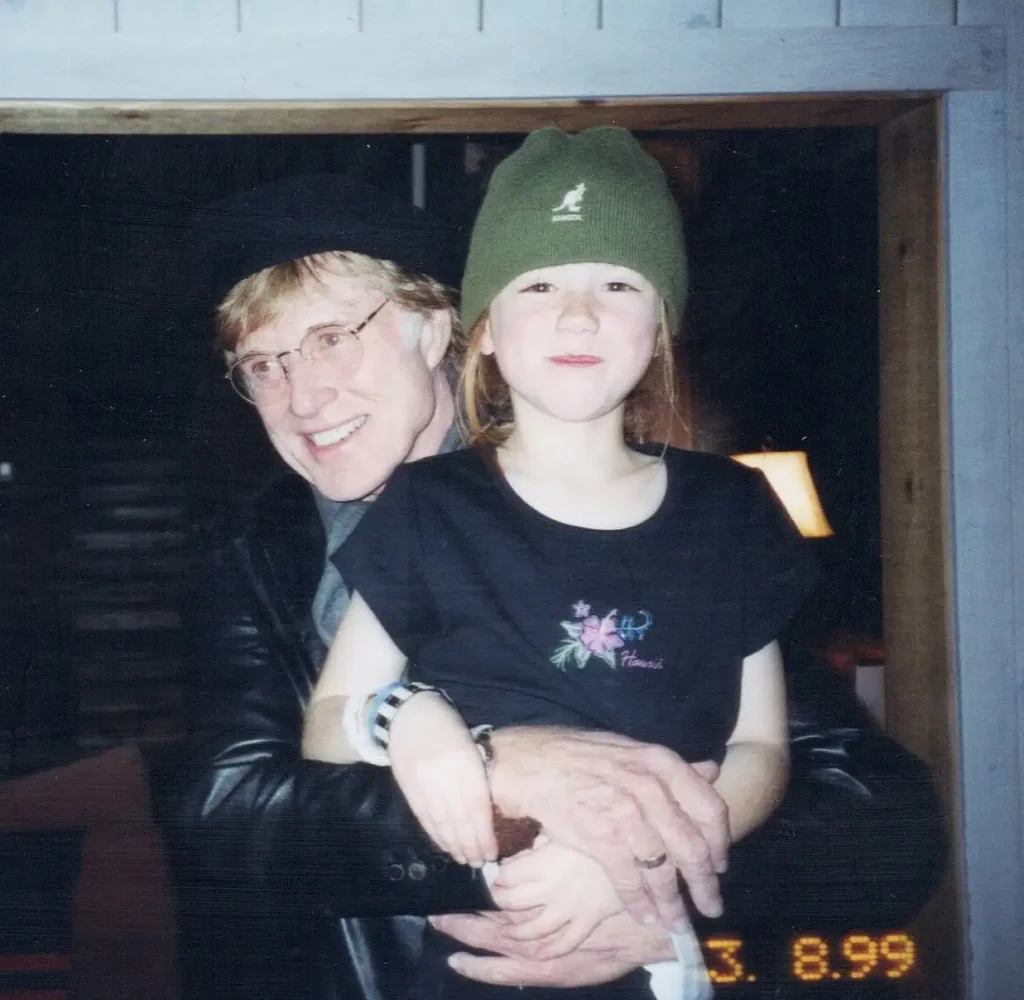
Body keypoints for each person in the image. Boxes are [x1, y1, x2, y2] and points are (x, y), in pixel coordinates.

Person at [172, 165, 945, 1000]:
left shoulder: (684, 518)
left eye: (331, 338)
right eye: (263, 365)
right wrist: (503, 788)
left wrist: (657, 895)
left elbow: (879, 816)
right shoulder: (250, 555)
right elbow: (225, 819)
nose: (302, 397)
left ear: (436, 330)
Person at [300, 126, 817, 1000]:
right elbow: (327, 724)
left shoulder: (733, 508)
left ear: (660, 326)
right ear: (484, 331)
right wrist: (409, 718)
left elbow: (760, 745)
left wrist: (643, 861)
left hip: (658, 956)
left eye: (619, 283)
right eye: (539, 284)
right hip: (477, 965)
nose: (579, 315)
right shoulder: (426, 506)